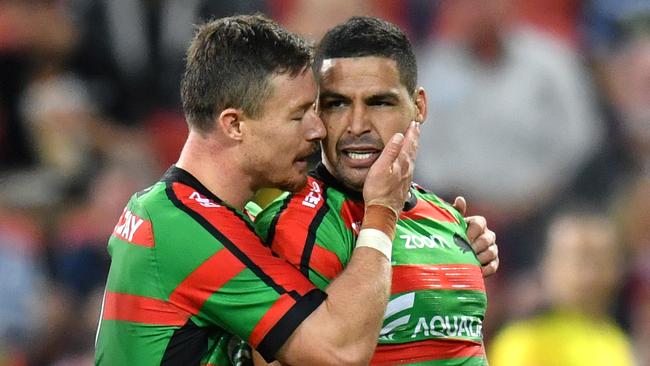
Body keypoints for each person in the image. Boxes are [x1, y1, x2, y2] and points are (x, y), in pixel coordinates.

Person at [94, 14, 421, 366]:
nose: (318, 130)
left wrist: (446, 234)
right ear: (234, 125)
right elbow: (338, 352)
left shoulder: (185, 212)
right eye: (298, 115)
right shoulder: (181, 229)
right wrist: (382, 211)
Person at [252, 17, 497, 365]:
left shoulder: (447, 219)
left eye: (379, 102)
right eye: (336, 104)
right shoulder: (295, 226)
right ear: (315, 111)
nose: (356, 125)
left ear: (419, 107)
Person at [489, 211, 635, 366]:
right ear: (547, 265)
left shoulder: (615, 340)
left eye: (600, 261)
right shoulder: (524, 342)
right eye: (578, 260)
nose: (590, 275)